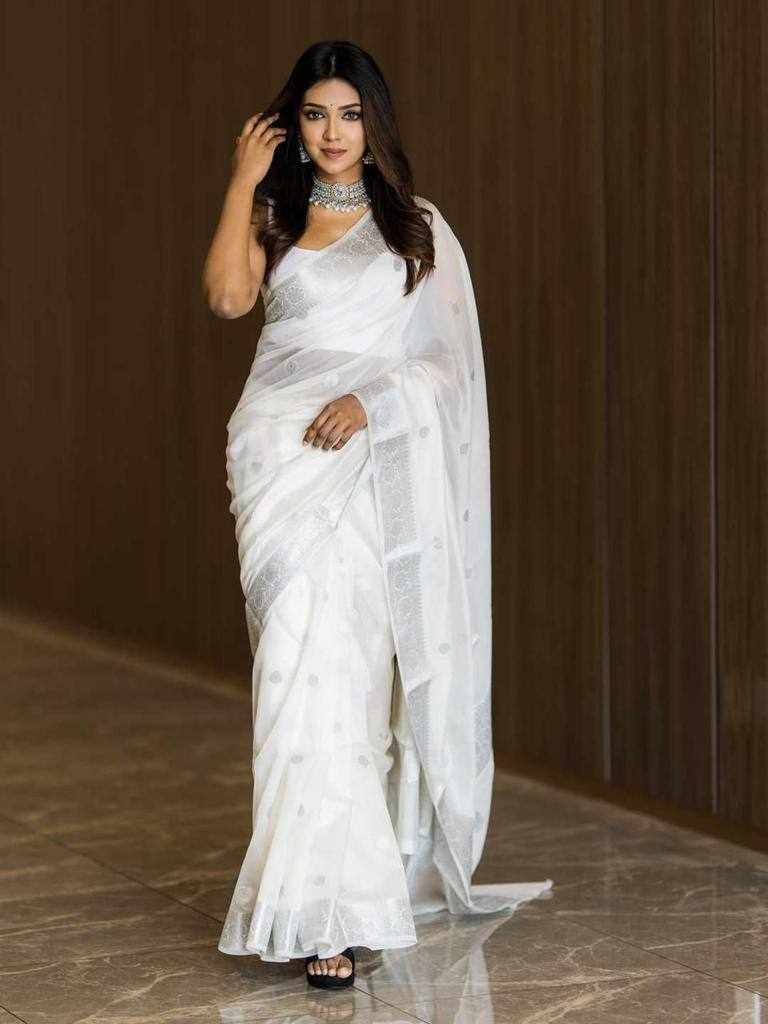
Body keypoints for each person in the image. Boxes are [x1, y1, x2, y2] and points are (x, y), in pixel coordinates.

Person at [201, 39, 553, 988]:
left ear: (374, 123)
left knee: (347, 680)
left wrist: (372, 402)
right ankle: (303, 898)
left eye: (349, 115)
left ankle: (337, 912)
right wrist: (241, 181)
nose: (332, 133)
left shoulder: (415, 229)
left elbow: (446, 364)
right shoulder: (274, 213)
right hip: (277, 462)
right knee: (290, 675)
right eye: (315, 114)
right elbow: (228, 299)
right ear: (293, 124)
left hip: (363, 464)